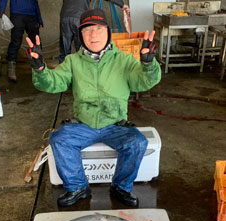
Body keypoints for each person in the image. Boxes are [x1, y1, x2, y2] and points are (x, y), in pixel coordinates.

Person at [26, 8, 161, 207]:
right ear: (80, 35)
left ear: (108, 32)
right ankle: (78, 186)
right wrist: (40, 69)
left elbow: (143, 81)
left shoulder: (123, 60)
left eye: (98, 28)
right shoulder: (72, 61)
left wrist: (148, 64)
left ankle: (121, 187)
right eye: (87, 30)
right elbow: (53, 82)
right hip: (84, 124)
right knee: (59, 139)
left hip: (116, 125)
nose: (93, 34)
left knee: (137, 142)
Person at [0, 0, 43, 82]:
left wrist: (39, 19)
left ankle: (40, 68)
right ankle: (11, 70)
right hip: (17, 14)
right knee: (16, 42)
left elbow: (35, 2)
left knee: (36, 43)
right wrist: (1, 10)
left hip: (32, 15)